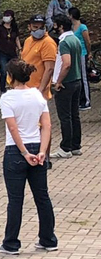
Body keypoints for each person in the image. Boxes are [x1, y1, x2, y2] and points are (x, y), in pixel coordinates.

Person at [0, 59, 58, 255]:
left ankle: (11, 243)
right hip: (37, 146)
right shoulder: (37, 96)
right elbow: (47, 125)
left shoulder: (7, 98)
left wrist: (24, 152)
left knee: (15, 199)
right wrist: (42, 151)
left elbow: (12, 127)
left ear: (11, 77)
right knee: (42, 196)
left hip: (16, 150)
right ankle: (48, 239)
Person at [50, 13, 83, 159]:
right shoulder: (75, 38)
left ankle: (65, 147)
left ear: (61, 26)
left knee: (65, 116)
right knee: (74, 115)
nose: (54, 28)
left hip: (66, 83)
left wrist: (58, 82)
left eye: (55, 25)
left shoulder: (64, 42)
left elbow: (66, 63)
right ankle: (76, 145)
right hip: (77, 81)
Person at [21, 14, 57, 100]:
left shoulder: (48, 43)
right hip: (25, 88)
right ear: (29, 27)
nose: (38, 30)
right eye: (35, 27)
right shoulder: (28, 40)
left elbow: (49, 69)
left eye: (41, 27)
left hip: (38, 91)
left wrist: (40, 91)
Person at [0, 9, 21, 94]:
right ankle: (2, 89)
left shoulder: (14, 28)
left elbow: (16, 39)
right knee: (3, 71)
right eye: (5, 16)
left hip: (12, 53)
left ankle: (14, 87)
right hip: (2, 52)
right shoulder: (0, 28)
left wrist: (20, 48)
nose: (6, 18)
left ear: (12, 18)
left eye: (8, 16)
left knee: (14, 71)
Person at [70, 7, 91, 110]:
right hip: (74, 54)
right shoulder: (71, 27)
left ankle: (86, 100)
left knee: (83, 77)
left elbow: (87, 42)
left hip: (82, 53)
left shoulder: (83, 27)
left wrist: (89, 53)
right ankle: (78, 99)